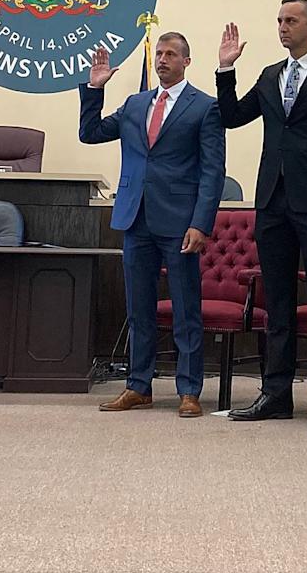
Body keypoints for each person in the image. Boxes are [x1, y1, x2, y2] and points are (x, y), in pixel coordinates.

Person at [217, 0, 307, 431]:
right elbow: (232, 116)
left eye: (292, 20)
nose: (283, 27)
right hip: (273, 203)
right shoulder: (269, 74)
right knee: (276, 303)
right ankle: (275, 393)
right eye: (280, 20)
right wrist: (225, 70)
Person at [79, 32, 225, 418]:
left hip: (180, 222)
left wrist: (201, 223)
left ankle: (189, 389)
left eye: (171, 54)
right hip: (135, 216)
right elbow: (90, 134)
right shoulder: (134, 103)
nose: (162, 60)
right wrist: (94, 89)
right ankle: (138, 386)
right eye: (159, 54)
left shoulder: (204, 107)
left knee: (184, 307)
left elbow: (213, 172)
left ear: (186, 62)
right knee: (138, 308)